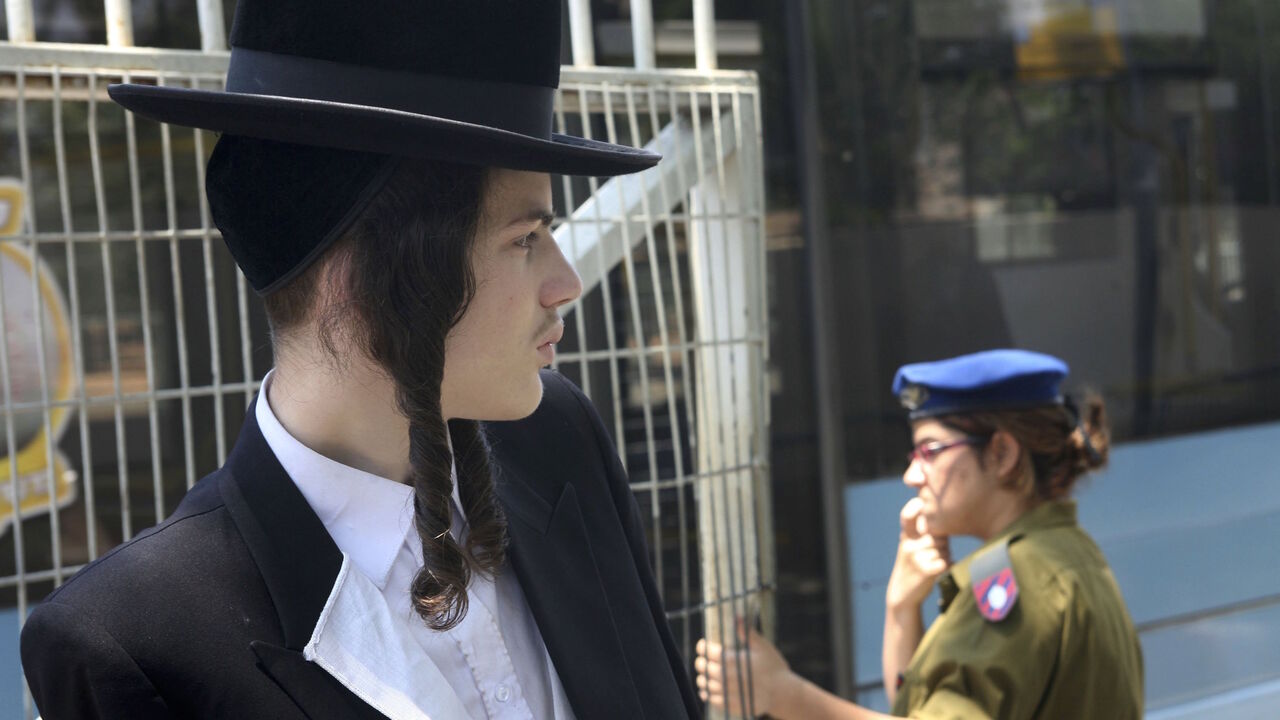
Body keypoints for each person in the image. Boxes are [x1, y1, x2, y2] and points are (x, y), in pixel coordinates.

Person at [19, 1, 700, 718]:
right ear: (363, 276)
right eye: (525, 238)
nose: (567, 282)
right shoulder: (136, 642)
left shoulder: (556, 441)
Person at [696, 349, 1143, 719]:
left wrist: (782, 694)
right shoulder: (1066, 554)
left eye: (931, 451)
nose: (912, 474)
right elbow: (918, 708)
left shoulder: (1019, 583)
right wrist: (901, 606)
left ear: (1003, 453)